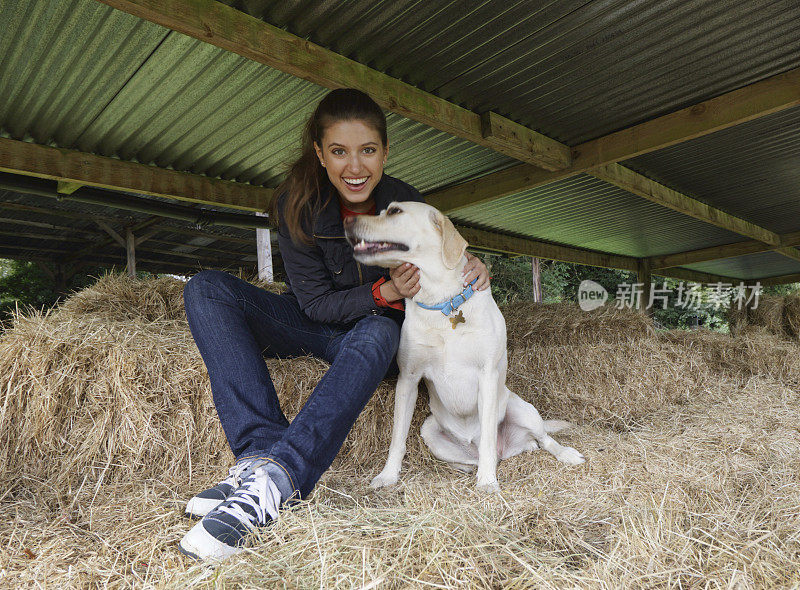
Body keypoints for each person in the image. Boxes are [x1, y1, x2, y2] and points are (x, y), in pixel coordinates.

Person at [178, 88, 490, 561]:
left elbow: (443, 258)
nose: (355, 167)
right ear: (320, 155)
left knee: (380, 330)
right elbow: (316, 303)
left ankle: (281, 475)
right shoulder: (296, 203)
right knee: (206, 288)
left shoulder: (404, 200)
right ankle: (258, 456)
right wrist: (382, 292)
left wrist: (471, 265)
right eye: (339, 152)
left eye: (367, 150)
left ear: (385, 152)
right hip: (316, 322)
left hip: (378, 334)